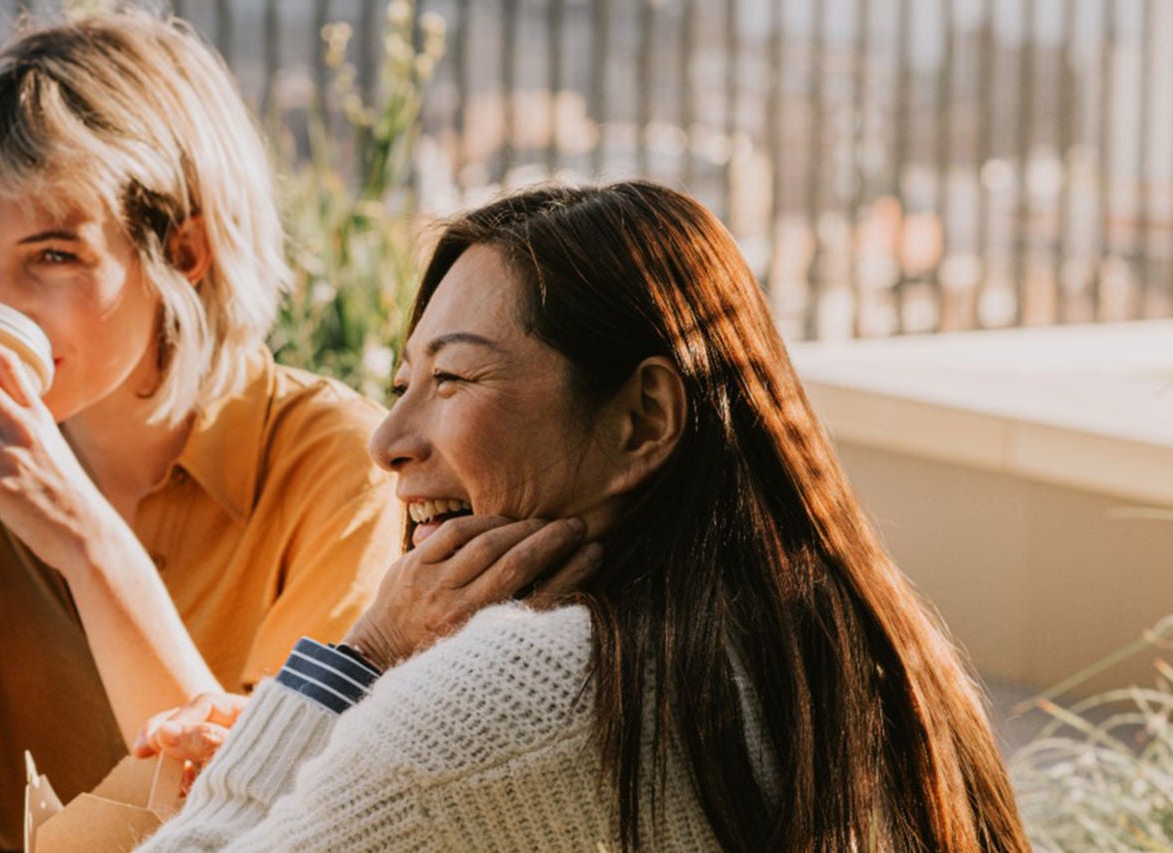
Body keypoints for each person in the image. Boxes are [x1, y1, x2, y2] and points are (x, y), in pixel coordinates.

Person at [132, 182, 1029, 851]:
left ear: (642, 420)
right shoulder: (863, 653)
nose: (390, 441)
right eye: (401, 382)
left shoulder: (523, 689)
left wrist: (361, 658)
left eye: (452, 378)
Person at [0, 11, 401, 846]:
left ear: (185, 253)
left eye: (52, 255)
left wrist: (84, 539)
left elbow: (268, 812)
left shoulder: (340, 468)